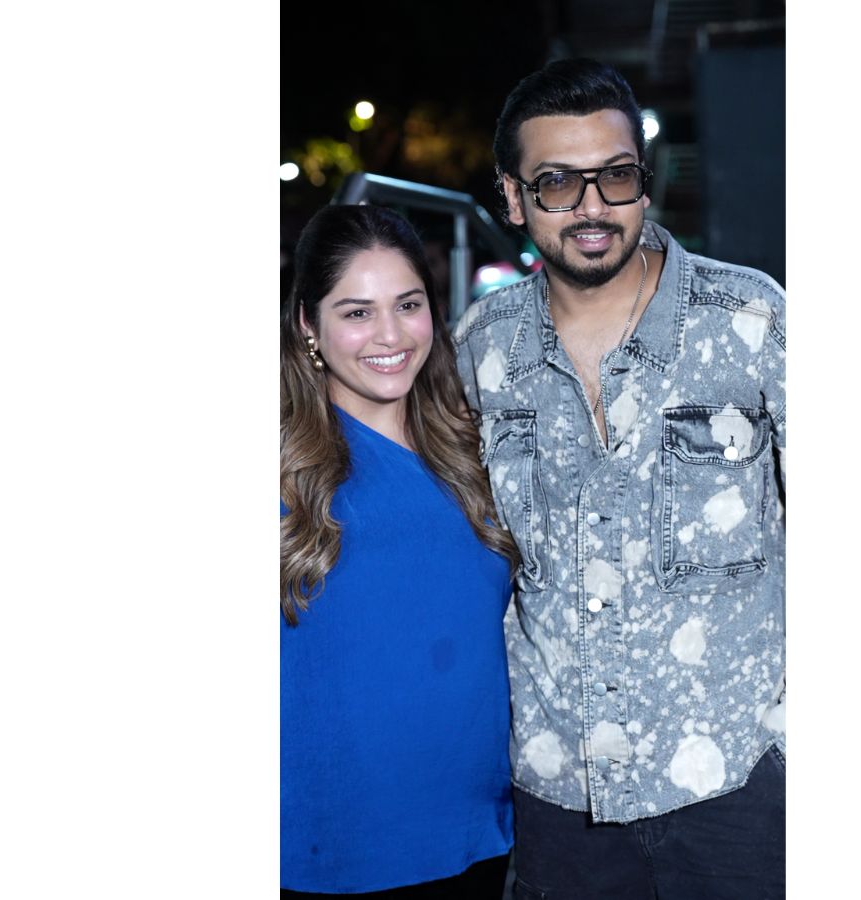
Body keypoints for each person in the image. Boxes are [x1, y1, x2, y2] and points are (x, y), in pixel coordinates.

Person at [453, 59, 786, 899]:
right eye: (558, 183)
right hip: (559, 797)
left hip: (739, 782)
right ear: (512, 197)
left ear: (644, 179)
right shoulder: (480, 347)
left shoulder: (751, 320)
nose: (593, 206)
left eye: (616, 175)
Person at [280, 203, 519, 898]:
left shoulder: (477, 447)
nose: (389, 335)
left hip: (478, 834)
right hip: (329, 848)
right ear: (308, 324)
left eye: (408, 305)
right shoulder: (280, 466)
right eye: (357, 312)